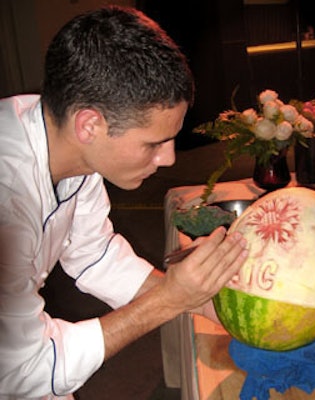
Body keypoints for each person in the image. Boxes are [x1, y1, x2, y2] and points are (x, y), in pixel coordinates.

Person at [0, 6, 248, 399]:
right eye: (153, 143)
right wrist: (168, 301)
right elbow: (24, 369)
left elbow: (93, 254)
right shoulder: (7, 196)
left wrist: (200, 302)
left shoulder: (70, 142)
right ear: (90, 125)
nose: (168, 159)